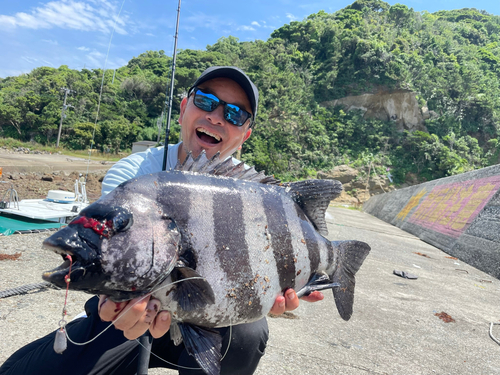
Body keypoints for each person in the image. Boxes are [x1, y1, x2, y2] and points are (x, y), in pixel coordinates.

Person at [0, 66, 323, 375]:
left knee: (249, 333)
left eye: (235, 114)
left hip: (215, 319)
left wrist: (294, 282)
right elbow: (109, 257)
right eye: (206, 101)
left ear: (246, 134)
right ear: (183, 108)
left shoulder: (255, 197)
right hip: (125, 317)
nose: (216, 116)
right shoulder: (133, 173)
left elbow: (277, 259)